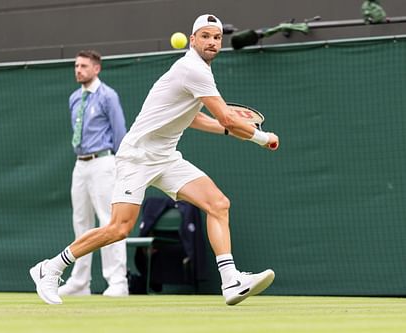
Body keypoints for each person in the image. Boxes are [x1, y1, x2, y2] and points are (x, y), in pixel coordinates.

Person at [30, 14, 279, 306]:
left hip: (166, 157)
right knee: (118, 229)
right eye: (206, 37)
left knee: (218, 204)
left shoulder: (196, 71)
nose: (212, 42)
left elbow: (195, 118)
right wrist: (262, 138)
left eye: (217, 38)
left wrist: (231, 128)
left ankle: (231, 281)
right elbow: (225, 116)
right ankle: (51, 268)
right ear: (193, 39)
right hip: (136, 157)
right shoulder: (193, 69)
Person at [58, 50, 129, 297]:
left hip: (104, 163)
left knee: (109, 221)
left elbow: (120, 133)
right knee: (81, 222)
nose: (78, 70)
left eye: (84, 66)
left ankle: (118, 281)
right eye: (76, 66)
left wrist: (120, 165)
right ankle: (80, 282)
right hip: (80, 165)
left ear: (96, 69)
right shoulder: (74, 98)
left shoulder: (109, 96)